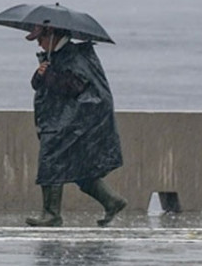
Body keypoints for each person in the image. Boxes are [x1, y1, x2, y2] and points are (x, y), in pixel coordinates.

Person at [25, 24, 126, 227]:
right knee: (79, 168)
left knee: (51, 162)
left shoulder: (75, 57)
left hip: (71, 123)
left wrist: (49, 75)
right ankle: (112, 201)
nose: (38, 43)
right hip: (58, 120)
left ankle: (51, 214)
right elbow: (38, 85)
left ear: (52, 36)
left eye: (40, 38)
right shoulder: (54, 57)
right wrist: (40, 74)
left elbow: (75, 87)